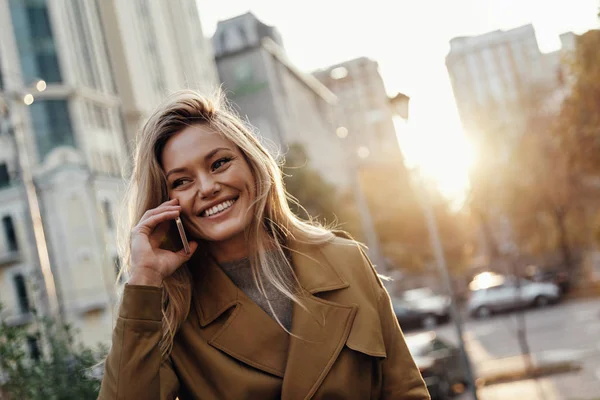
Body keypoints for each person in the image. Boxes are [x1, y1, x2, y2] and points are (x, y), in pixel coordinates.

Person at [98, 90, 430, 400]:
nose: (208, 187)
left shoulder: (343, 260)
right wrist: (143, 278)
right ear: (166, 203)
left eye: (219, 163)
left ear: (253, 164)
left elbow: (405, 390)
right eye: (182, 181)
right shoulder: (171, 311)